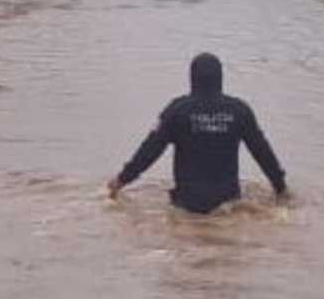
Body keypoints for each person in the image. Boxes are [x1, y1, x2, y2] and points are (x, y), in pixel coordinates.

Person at [108, 53, 287, 213]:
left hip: (187, 205)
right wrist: (281, 188)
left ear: (191, 79)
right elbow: (262, 152)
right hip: (228, 204)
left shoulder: (177, 110)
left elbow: (149, 151)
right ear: (221, 79)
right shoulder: (239, 111)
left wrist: (121, 181)